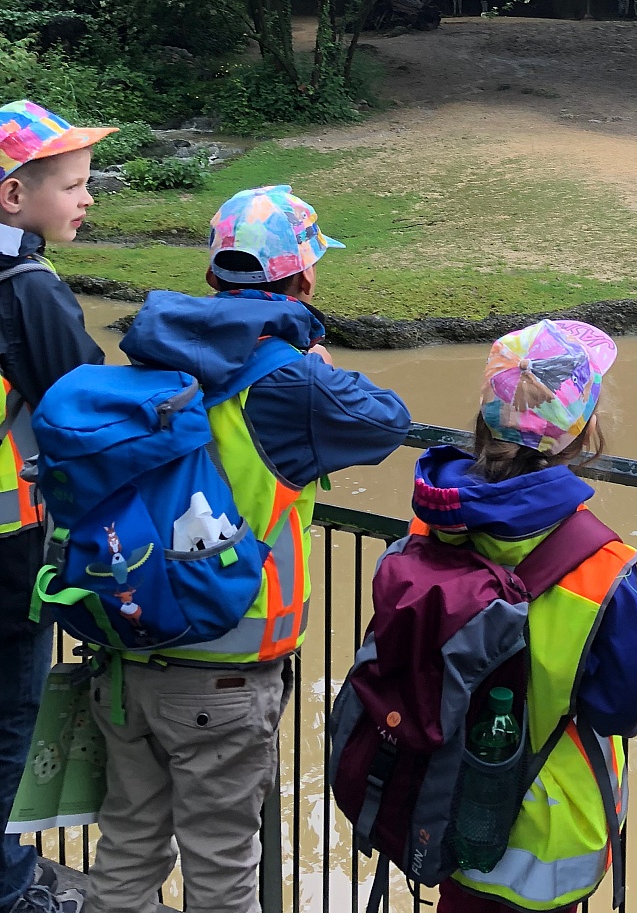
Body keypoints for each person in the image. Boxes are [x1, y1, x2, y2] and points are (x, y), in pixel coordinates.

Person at [84, 183, 412, 913]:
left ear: (211, 276)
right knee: (224, 866)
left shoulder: (154, 352)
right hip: (224, 667)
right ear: (303, 277)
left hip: (127, 646)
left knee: (129, 846)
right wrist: (315, 361)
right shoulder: (289, 382)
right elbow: (388, 422)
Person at [411, 318, 637, 913]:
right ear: (583, 431)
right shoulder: (600, 563)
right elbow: (626, 705)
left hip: (436, 800)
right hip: (544, 833)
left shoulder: (433, 522)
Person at [0, 99, 119, 913]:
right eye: (73, 185)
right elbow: (86, 406)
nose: (84, 199)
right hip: (10, 545)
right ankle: (9, 886)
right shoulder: (27, 286)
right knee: (13, 719)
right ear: (14, 196)